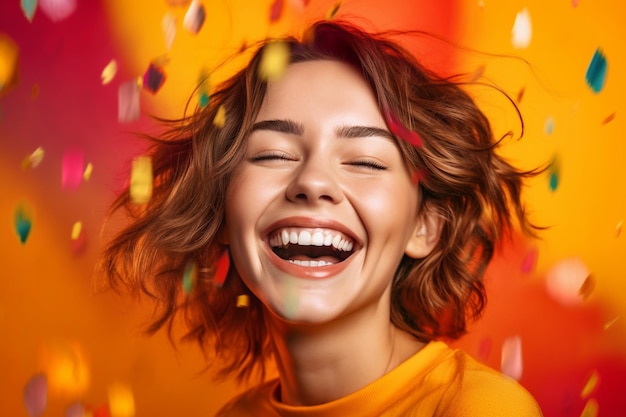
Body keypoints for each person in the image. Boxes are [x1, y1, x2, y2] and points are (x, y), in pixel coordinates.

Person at [99, 19, 544, 416]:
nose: (312, 182)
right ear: (220, 214)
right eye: (272, 154)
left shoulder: (480, 409)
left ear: (425, 226)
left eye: (366, 161)